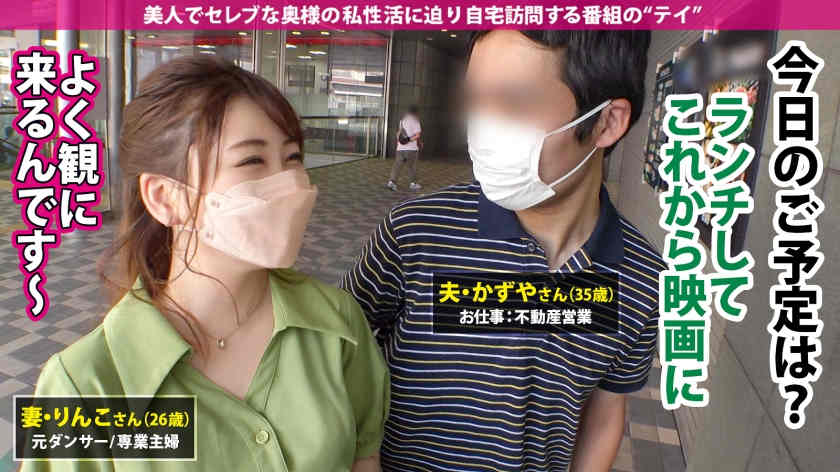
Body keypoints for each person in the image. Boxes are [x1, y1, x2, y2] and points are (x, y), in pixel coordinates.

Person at [24, 56, 389, 472]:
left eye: (292, 158)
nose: (290, 184)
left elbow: (364, 458)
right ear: (164, 197)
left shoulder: (337, 321)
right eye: (252, 161)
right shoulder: (81, 384)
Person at [341, 30, 664, 472]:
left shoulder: (642, 278)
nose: (484, 130)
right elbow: (334, 350)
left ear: (606, 122)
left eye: (514, 103)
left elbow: (606, 409)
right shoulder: (417, 233)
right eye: (477, 100)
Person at [387, 104, 422, 191]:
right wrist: (409, 139)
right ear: (416, 112)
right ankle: (413, 184)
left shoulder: (402, 120)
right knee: (412, 167)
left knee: (397, 166)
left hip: (400, 148)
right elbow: (417, 135)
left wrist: (400, 143)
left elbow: (398, 134)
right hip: (411, 149)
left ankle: (392, 182)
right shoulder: (415, 121)